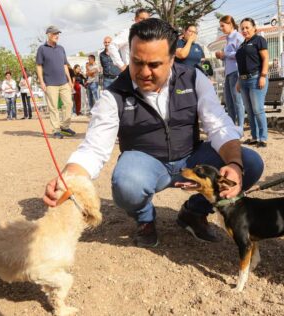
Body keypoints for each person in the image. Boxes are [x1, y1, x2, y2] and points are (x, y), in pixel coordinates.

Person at [43, 18, 264, 248]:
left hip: (191, 157)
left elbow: (218, 125)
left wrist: (235, 165)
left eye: (154, 64)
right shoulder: (114, 94)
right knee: (126, 184)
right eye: (136, 62)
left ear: (172, 59)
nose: (144, 72)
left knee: (249, 163)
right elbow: (94, 148)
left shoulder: (193, 77)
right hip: (146, 164)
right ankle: (145, 219)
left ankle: (195, 211)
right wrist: (67, 179)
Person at [36, 25, 76, 139]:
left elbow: (65, 65)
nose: (57, 36)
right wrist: (42, 82)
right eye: (55, 34)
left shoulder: (61, 48)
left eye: (58, 34)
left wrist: (69, 80)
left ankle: (64, 127)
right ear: (49, 35)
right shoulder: (42, 49)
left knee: (69, 104)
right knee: (53, 107)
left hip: (64, 82)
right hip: (50, 83)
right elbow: (39, 66)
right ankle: (56, 129)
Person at [236, 18, 269, 148]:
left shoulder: (259, 40)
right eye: (242, 28)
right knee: (249, 111)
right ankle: (254, 137)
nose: (244, 30)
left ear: (254, 28)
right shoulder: (242, 45)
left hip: (256, 78)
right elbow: (241, 65)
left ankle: (263, 138)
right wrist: (239, 80)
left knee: (258, 109)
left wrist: (263, 76)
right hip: (243, 81)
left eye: (247, 27)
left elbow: (266, 58)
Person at [215, 15, 245, 135]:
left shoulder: (238, 37)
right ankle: (232, 126)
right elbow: (230, 56)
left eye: (223, 25)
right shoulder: (228, 38)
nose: (221, 28)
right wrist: (222, 56)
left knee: (237, 101)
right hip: (228, 72)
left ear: (230, 24)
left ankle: (241, 127)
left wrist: (225, 54)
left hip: (236, 72)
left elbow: (241, 53)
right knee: (229, 101)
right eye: (220, 26)